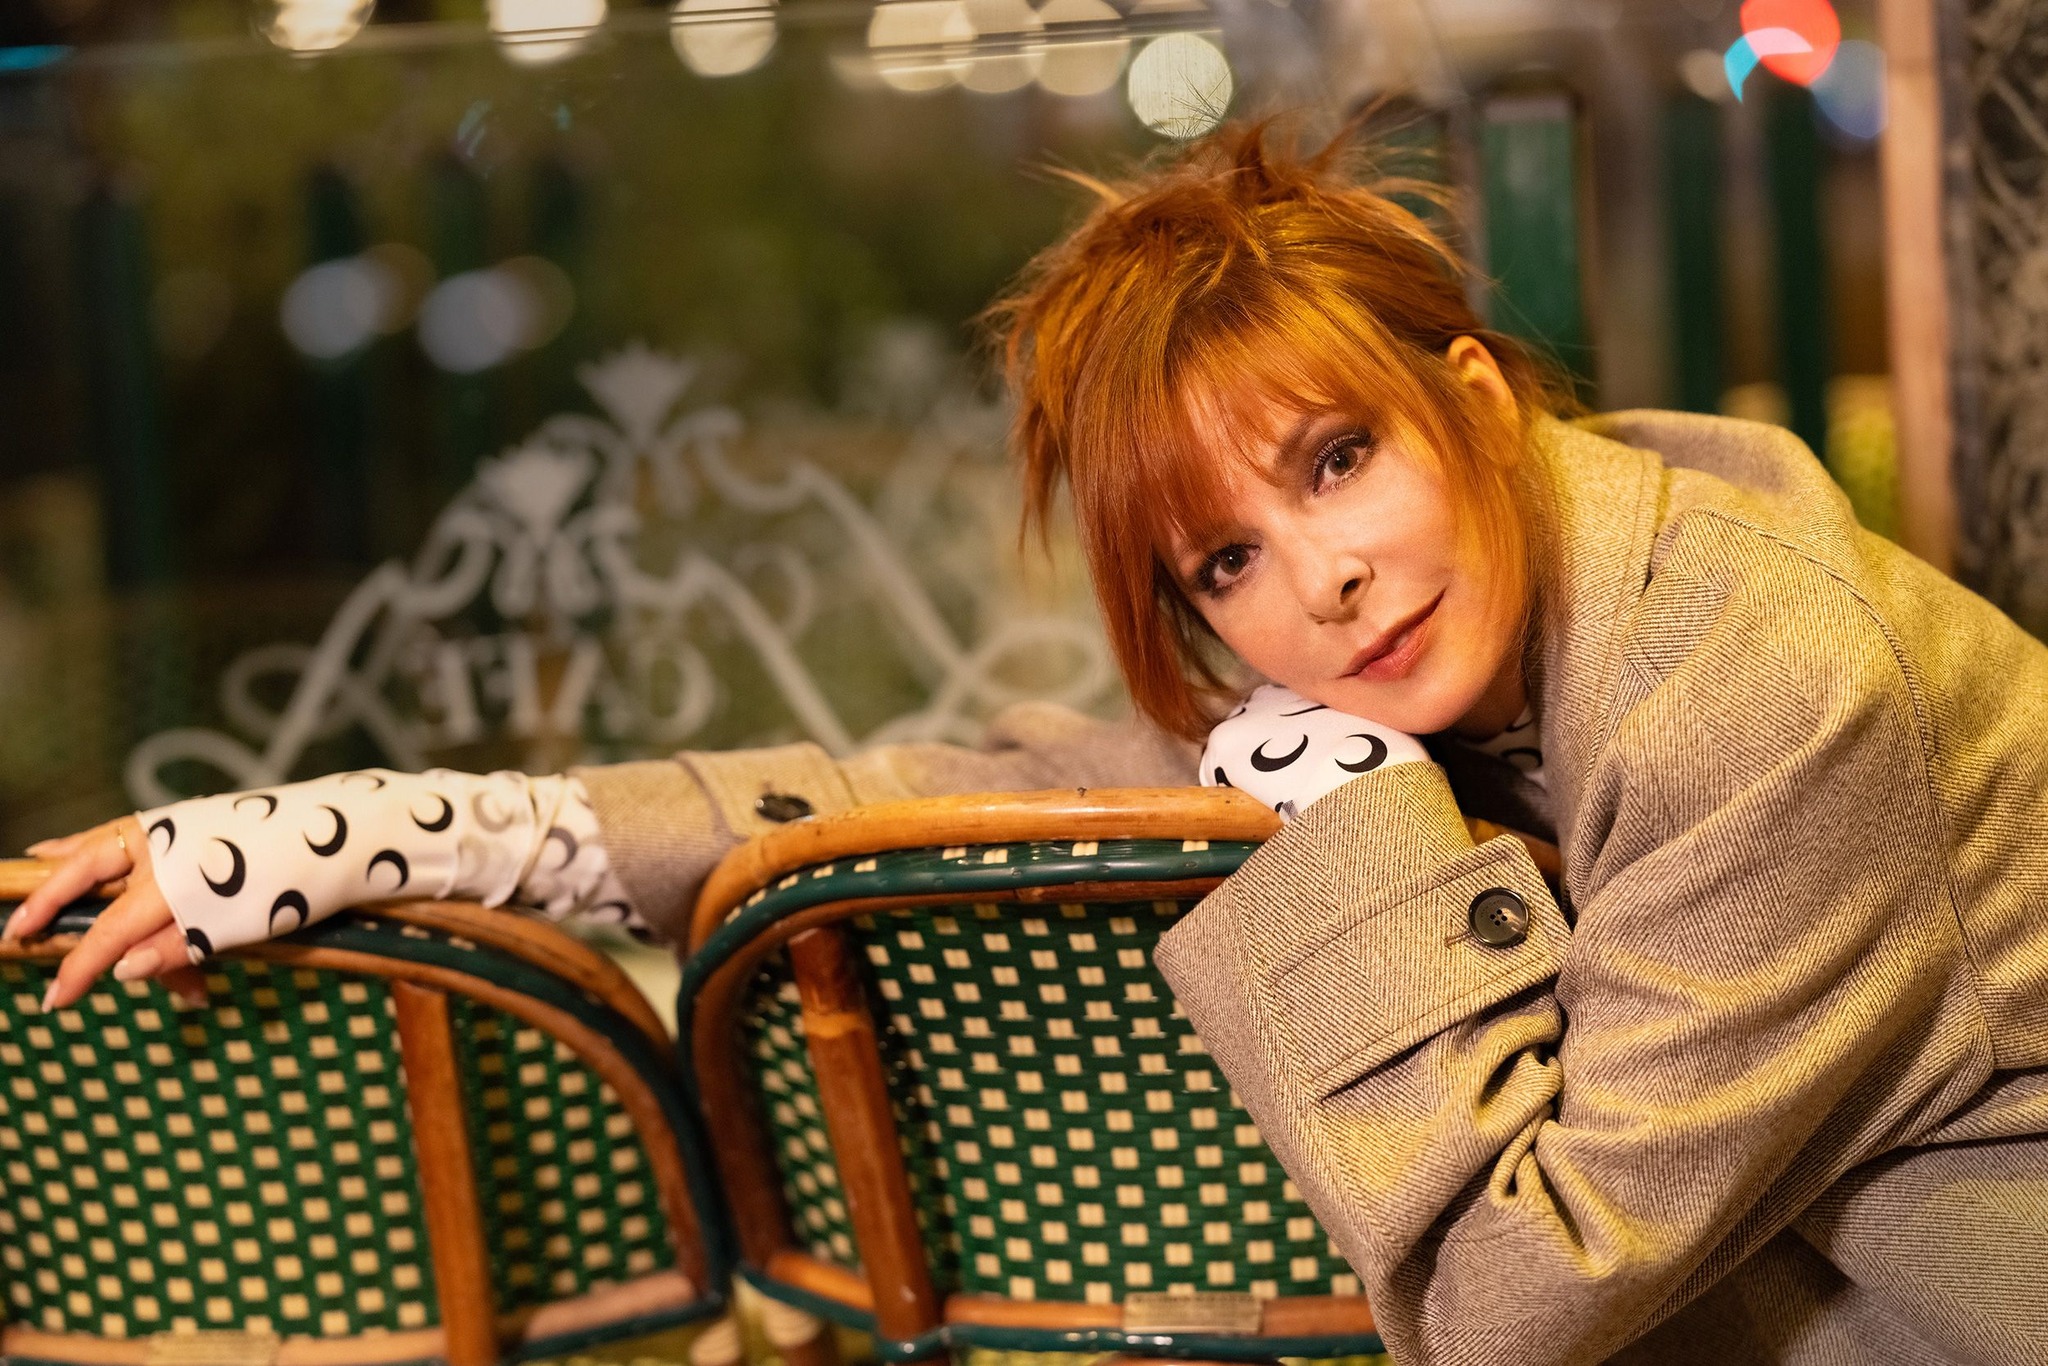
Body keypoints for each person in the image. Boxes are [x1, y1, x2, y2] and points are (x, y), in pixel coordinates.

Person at [11, 120, 2048, 1364]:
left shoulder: (1751, 678)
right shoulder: (1478, 622)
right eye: (1224, 559)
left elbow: (1515, 1301)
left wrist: (1359, 842)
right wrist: (372, 831)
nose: (1320, 582)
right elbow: (943, 786)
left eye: (1338, 458)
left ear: (1475, 390)